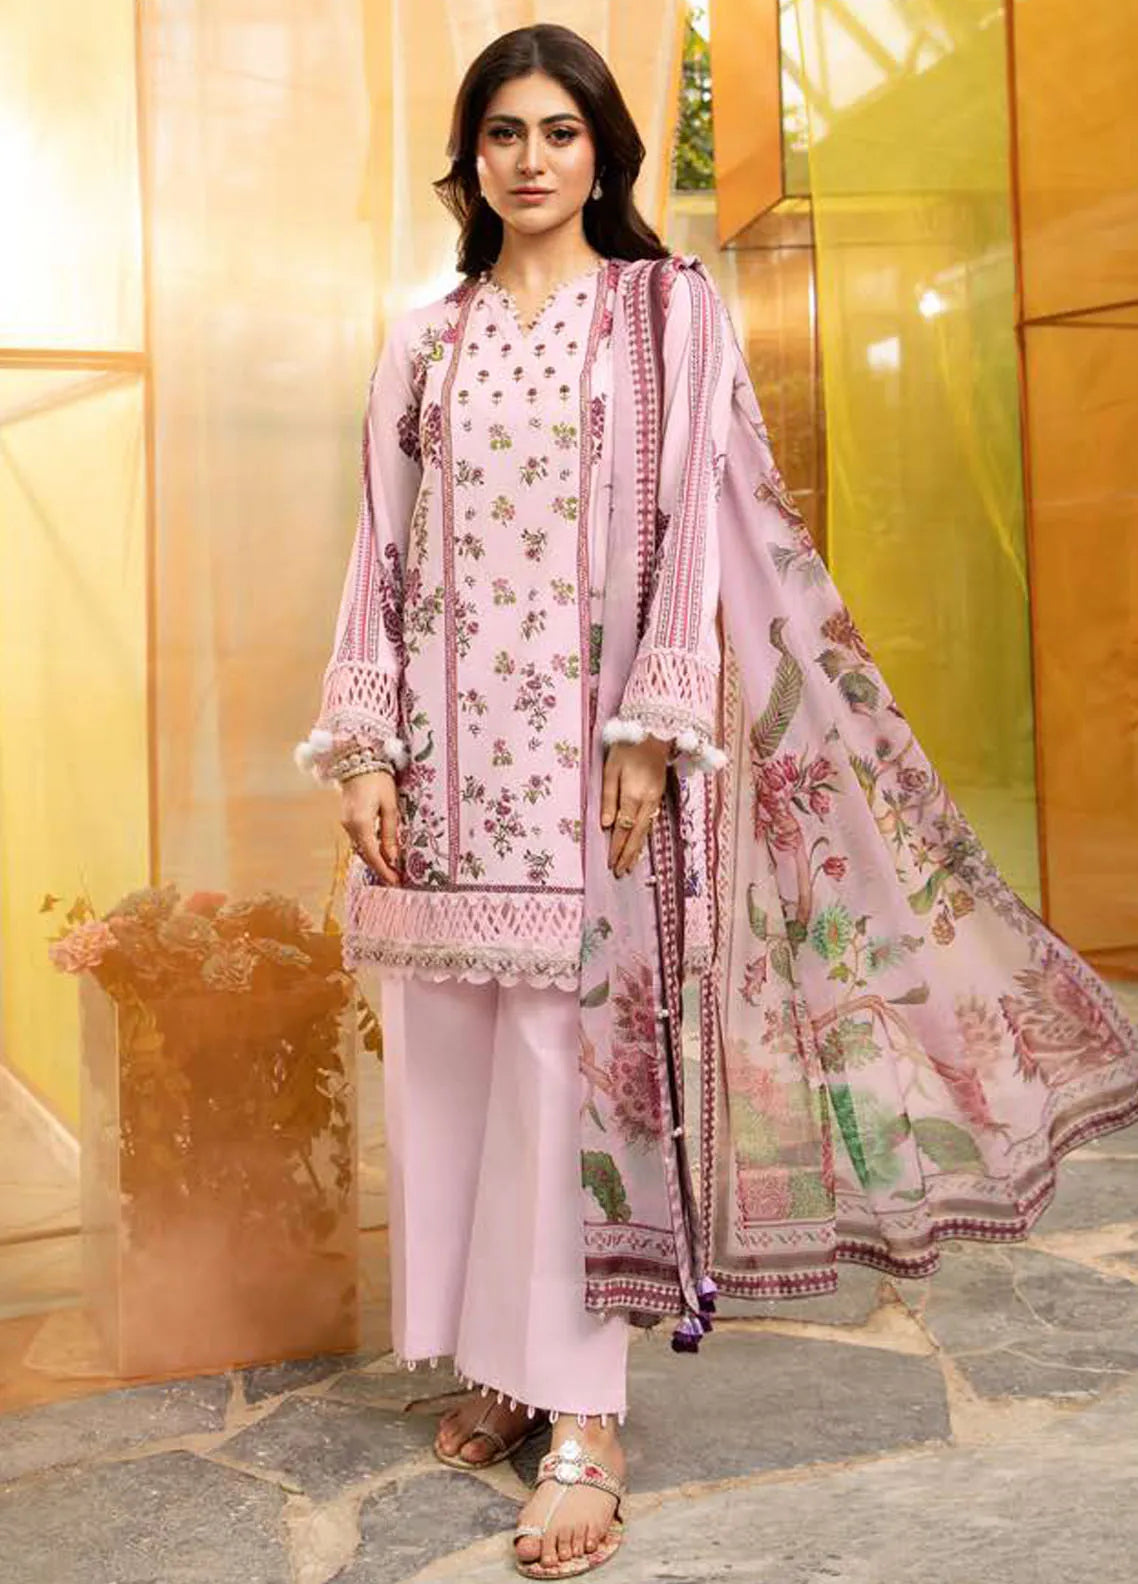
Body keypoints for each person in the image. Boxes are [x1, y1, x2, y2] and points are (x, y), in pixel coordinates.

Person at [296, 23, 1138, 1581]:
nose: (530, 159)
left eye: (559, 131)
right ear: (470, 157)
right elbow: (380, 550)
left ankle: (585, 1417)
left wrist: (650, 727)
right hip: (443, 770)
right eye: (503, 133)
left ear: (602, 153)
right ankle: (499, 1361)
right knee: (454, 1073)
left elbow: (692, 521)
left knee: (573, 1085)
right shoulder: (423, 343)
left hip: (598, 772)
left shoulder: (665, 309)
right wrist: (361, 750)